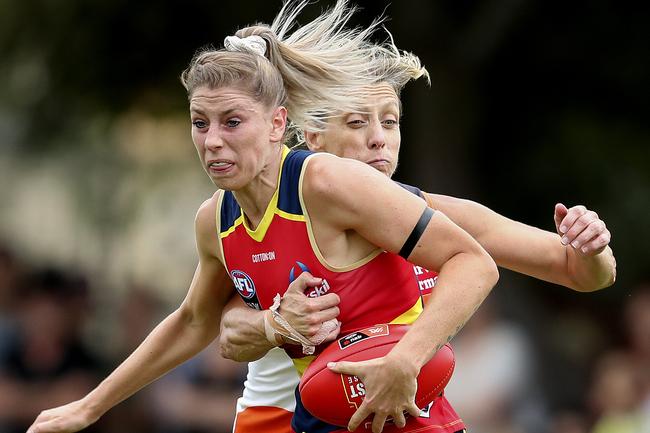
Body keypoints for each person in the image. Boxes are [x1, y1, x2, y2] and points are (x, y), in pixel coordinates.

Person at [26, 2, 501, 433]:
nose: (212, 141)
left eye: (232, 122)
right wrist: (89, 407)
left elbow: (476, 262)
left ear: (278, 124)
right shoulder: (214, 221)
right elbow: (195, 322)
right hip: (313, 416)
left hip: (407, 413)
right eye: (199, 123)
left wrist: (407, 359)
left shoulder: (331, 184)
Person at [213, 2, 616, 433]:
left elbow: (584, 274)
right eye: (356, 122)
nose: (378, 140)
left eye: (390, 122)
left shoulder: (431, 217)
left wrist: (589, 244)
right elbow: (222, 328)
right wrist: (274, 324)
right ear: (312, 136)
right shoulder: (276, 224)